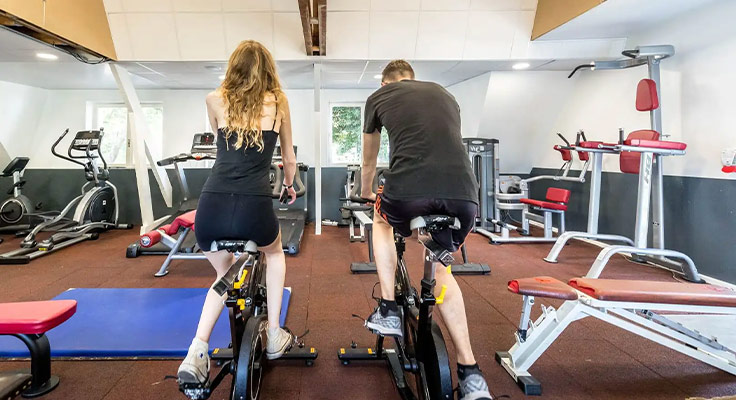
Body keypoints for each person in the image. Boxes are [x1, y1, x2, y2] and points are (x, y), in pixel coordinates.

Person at [360, 60, 494, 400]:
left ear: (385, 81)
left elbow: (369, 161)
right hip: (464, 198)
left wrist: (365, 191)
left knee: (379, 219)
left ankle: (389, 308)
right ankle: (471, 373)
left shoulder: (380, 96)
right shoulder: (446, 95)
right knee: (443, 272)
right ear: (413, 78)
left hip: (409, 194)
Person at [177, 40, 298, 385]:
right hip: (253, 205)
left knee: (223, 276)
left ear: (233, 68)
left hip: (211, 205)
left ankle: (197, 350)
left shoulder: (213, 99)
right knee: (274, 254)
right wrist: (289, 184)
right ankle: (274, 334)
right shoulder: (280, 103)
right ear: (268, 70)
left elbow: (221, 143)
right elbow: (288, 159)